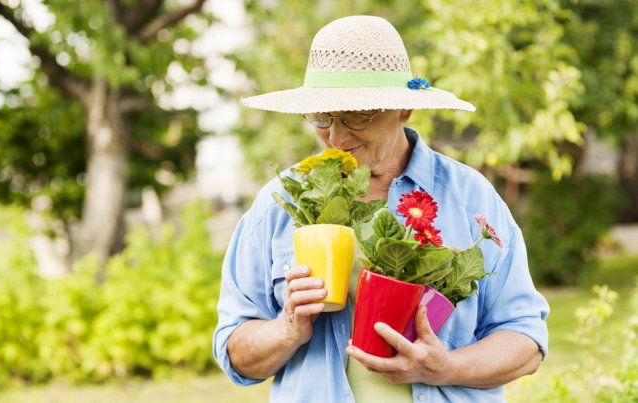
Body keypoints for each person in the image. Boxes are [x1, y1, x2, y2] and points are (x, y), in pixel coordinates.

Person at [213, 15, 549, 402]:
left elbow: (525, 340)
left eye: (357, 115)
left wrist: (445, 368)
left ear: (405, 108)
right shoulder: (281, 203)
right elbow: (235, 352)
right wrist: (286, 329)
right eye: (323, 117)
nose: (336, 137)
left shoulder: (470, 198)